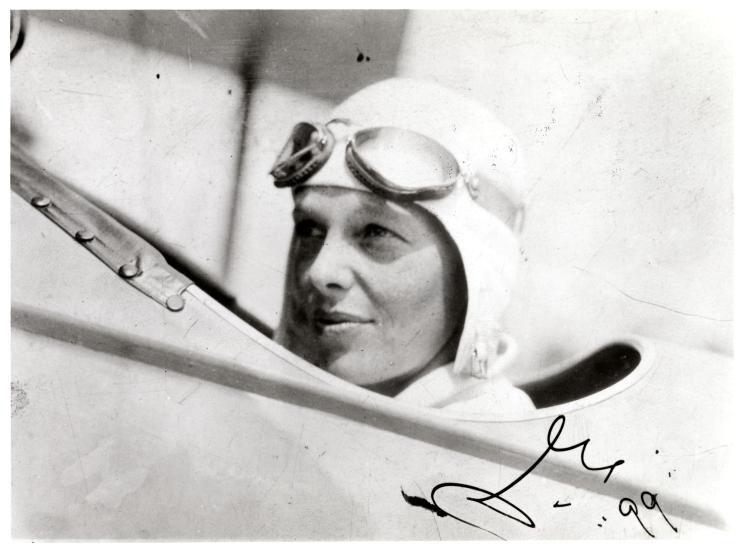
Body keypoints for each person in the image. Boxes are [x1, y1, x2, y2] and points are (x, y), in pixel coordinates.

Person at [271, 78, 534, 415]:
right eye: (310, 229)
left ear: (478, 275)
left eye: (376, 233)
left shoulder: (498, 450)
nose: (321, 272)